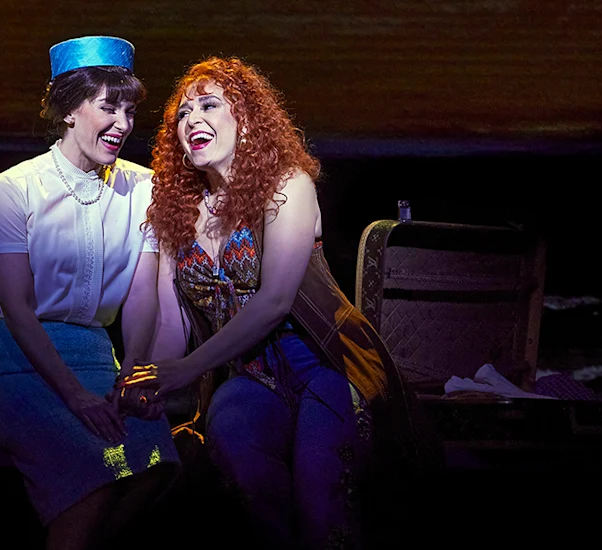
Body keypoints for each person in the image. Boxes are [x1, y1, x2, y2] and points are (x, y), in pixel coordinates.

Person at [120, 57, 439, 550]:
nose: (192, 120)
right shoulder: (174, 215)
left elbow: (273, 301)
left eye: (209, 105)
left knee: (321, 497)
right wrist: (144, 378)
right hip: (248, 378)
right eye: (182, 114)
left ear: (245, 120)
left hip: (326, 369)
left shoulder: (287, 186)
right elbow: (169, 330)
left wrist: (182, 370)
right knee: (242, 471)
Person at [0, 36, 179, 550]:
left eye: (130, 111)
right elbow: (17, 307)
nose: (123, 125)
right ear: (69, 109)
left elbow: (141, 293)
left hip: (100, 362)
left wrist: (133, 368)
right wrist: (74, 396)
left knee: (158, 464)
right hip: (22, 365)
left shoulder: (145, 188)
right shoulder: (14, 188)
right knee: (94, 471)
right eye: (108, 108)